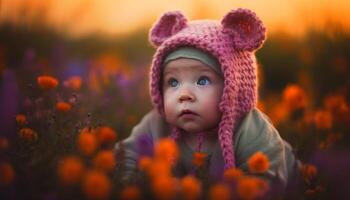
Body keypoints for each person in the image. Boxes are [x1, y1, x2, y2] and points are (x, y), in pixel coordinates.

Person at [115, 8, 300, 196]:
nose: (184, 94)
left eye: (202, 81)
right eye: (173, 82)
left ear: (234, 87)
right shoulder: (156, 124)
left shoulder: (252, 130)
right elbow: (126, 157)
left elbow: (265, 181)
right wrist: (139, 186)